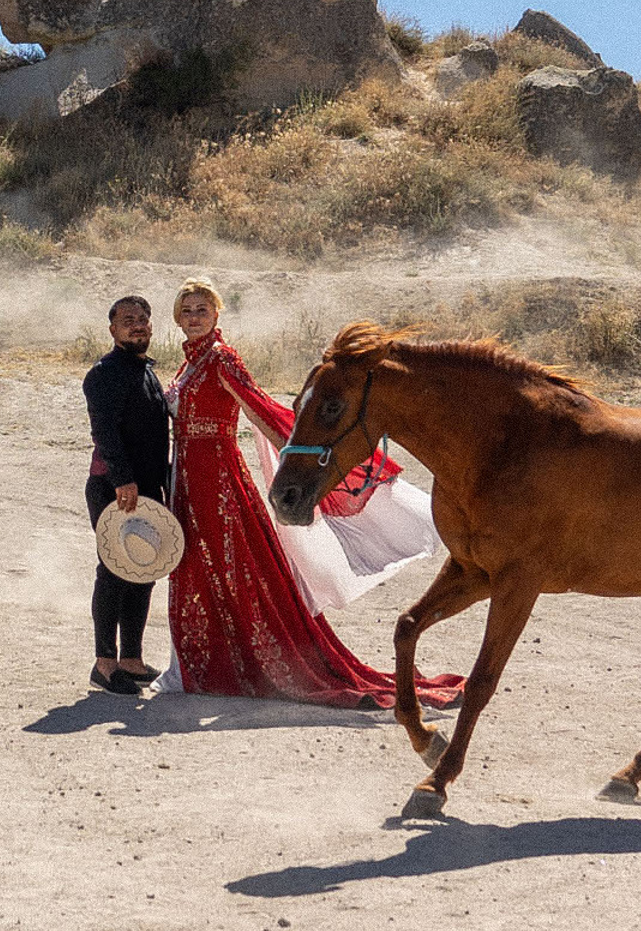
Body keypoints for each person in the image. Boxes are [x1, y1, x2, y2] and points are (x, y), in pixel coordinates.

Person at [159, 277, 462, 710]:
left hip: (217, 478)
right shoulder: (189, 363)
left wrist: (295, 456)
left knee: (229, 565)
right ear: (177, 316)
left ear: (217, 314)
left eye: (202, 309)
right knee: (195, 565)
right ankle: (198, 659)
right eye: (187, 310)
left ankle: (225, 663)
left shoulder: (222, 358)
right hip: (185, 475)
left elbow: (258, 407)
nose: (194, 317)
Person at [81, 293, 173, 696]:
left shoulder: (145, 372)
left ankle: (132, 660)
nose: (137, 325)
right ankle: (104, 664)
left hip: (147, 487)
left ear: (151, 327)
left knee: (144, 570)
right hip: (115, 487)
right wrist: (122, 480)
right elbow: (103, 431)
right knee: (115, 569)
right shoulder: (104, 373)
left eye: (143, 319)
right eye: (128, 319)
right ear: (113, 329)